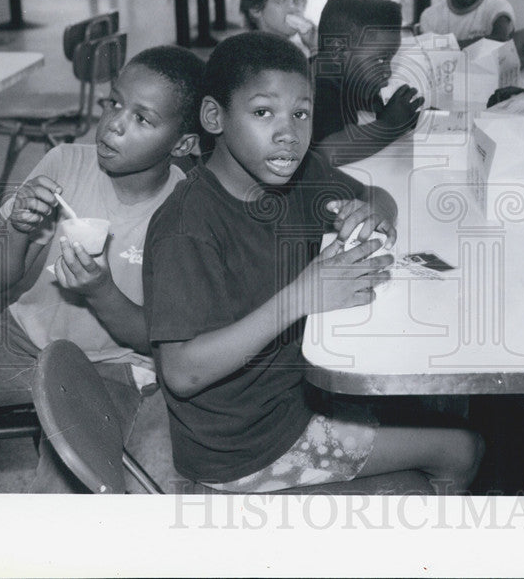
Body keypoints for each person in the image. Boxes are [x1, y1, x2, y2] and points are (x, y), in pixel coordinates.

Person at [143, 32, 482, 494]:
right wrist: (303, 296)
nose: (288, 133)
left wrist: (376, 211)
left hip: (295, 392)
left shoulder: (296, 174)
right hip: (250, 446)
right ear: (213, 117)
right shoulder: (187, 228)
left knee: (447, 401)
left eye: (300, 114)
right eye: (263, 112)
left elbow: (371, 193)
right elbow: (182, 373)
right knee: (462, 446)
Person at [0, 45, 204, 492]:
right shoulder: (65, 164)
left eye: (142, 119)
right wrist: (18, 227)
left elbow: (156, 337)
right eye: (114, 103)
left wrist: (100, 291)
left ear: (183, 144)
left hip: (110, 370)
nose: (114, 123)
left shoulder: (187, 212)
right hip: (20, 342)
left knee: (65, 490)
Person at [312, 0, 424, 166]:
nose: (387, 71)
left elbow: (370, 103)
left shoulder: (342, 76)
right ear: (338, 52)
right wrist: (390, 124)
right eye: (380, 60)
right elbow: (329, 152)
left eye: (390, 60)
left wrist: (405, 114)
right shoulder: (317, 87)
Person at [238, 0, 316, 58]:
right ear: (256, 8)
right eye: (280, 0)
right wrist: (316, 50)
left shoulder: (296, 49)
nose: (292, 8)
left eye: (296, 1)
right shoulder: (254, 54)